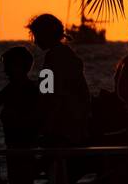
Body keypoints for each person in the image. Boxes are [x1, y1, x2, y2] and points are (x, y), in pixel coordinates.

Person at [27, 14, 90, 147]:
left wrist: (46, 126)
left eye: (36, 35)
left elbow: (49, 93)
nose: (35, 41)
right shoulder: (67, 54)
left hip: (62, 125)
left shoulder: (53, 58)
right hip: (74, 121)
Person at [0, 46, 40, 184]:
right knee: (19, 182)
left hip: (23, 144)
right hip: (16, 143)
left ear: (19, 67)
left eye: (8, 66)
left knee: (22, 183)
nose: (5, 71)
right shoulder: (15, 88)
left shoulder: (23, 89)